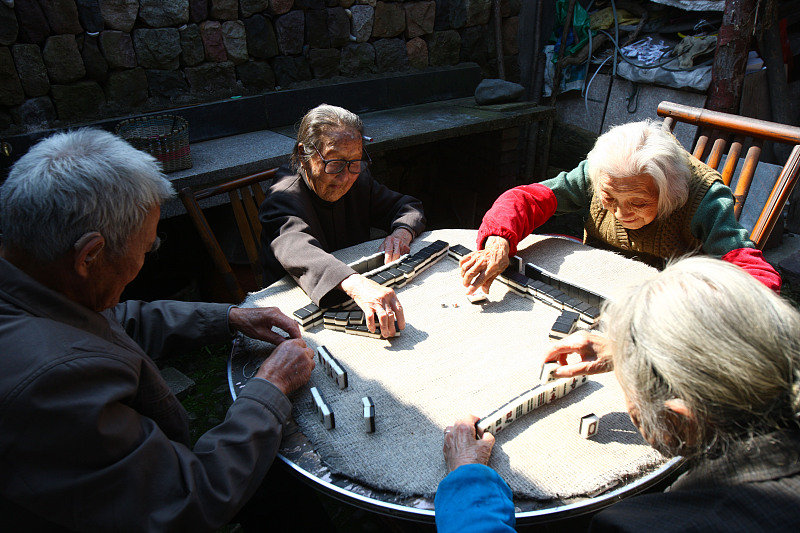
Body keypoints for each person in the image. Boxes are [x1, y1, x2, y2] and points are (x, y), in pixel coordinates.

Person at [0, 129, 319, 532]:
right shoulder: (53, 384)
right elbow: (183, 501)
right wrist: (270, 385)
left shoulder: (32, 281)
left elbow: (112, 321)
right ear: (89, 256)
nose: (144, 261)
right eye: (146, 248)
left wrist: (230, 317)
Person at [436, 257, 800, 532]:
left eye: (629, 388)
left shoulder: (640, 525)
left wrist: (468, 481)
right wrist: (627, 348)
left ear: (676, 422)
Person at [459, 120, 781, 295]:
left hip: (663, 305)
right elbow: (525, 199)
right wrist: (498, 241)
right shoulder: (599, 174)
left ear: (669, 193)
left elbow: (755, 273)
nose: (621, 214)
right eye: (609, 199)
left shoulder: (703, 198)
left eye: (638, 203)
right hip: (593, 287)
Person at [259, 104, 426, 338]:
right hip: (298, 311)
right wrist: (357, 285)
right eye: (334, 162)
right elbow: (296, 248)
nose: (345, 177)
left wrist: (401, 233)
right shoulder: (283, 198)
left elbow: (406, 207)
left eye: (354, 162)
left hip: (351, 296)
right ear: (303, 155)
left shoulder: (358, 179)